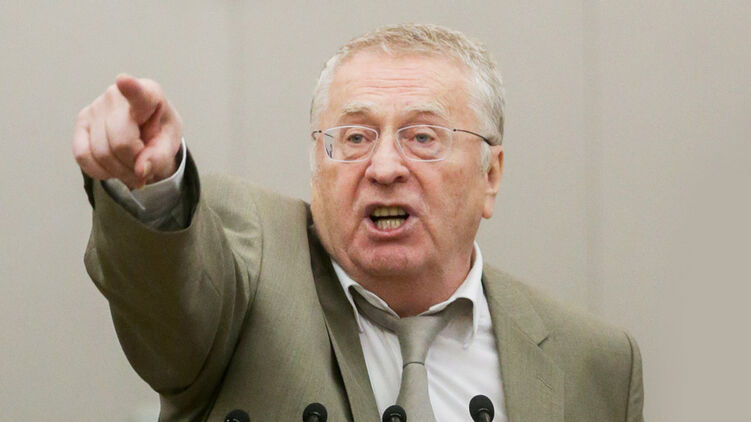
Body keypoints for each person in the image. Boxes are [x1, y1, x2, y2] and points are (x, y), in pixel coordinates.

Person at [73, 24, 644, 421]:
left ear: (490, 174)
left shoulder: (596, 363)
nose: (385, 167)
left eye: (423, 137)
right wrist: (156, 182)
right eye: (354, 138)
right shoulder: (249, 269)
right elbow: (173, 290)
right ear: (316, 164)